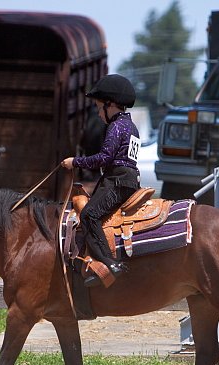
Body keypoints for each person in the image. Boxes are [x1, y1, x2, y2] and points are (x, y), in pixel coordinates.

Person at [61, 74, 141, 287]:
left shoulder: (116, 127)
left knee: (88, 215)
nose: (97, 113)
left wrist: (75, 162)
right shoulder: (130, 126)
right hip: (129, 179)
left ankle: (109, 264)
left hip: (118, 181)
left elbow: (104, 158)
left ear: (110, 104)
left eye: (98, 107)